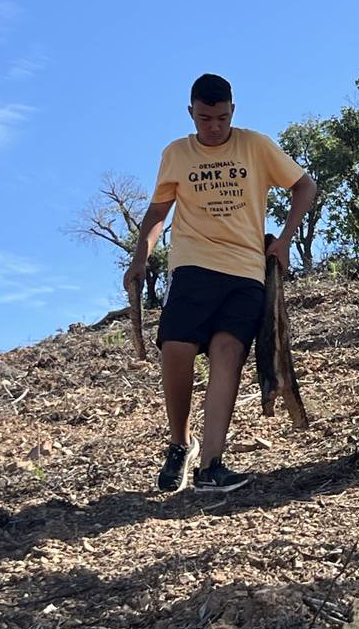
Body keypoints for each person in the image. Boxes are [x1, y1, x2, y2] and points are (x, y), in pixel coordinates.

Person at [124, 73, 316, 492]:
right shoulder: (176, 153)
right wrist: (140, 258)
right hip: (194, 263)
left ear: (234, 112)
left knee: (227, 353)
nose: (214, 127)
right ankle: (180, 443)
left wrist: (283, 241)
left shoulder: (255, 145)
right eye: (205, 118)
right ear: (191, 112)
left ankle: (212, 463)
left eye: (222, 119)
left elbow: (304, 185)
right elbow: (158, 212)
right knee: (176, 348)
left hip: (246, 269)